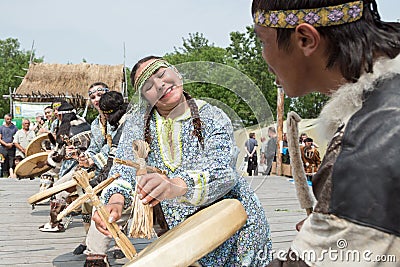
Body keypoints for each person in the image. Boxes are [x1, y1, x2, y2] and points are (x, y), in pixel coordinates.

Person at [252, 0, 400, 266]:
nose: (263, 57)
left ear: (306, 39)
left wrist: (342, 218)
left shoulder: (366, 149)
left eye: (263, 41)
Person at [91, 56, 273, 266]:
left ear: (177, 74)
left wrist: (174, 186)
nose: (160, 85)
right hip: (182, 237)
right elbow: (123, 171)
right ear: (145, 97)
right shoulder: (136, 124)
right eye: (149, 86)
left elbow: (223, 173)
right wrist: (115, 201)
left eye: (161, 75)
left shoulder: (212, 116)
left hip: (235, 228)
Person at [83, 90, 131, 264]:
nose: (95, 100)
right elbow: (103, 152)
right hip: (110, 172)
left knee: (106, 208)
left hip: (140, 178)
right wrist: (87, 159)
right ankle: (94, 254)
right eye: (92, 97)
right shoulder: (100, 123)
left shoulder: (130, 124)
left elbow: (118, 158)